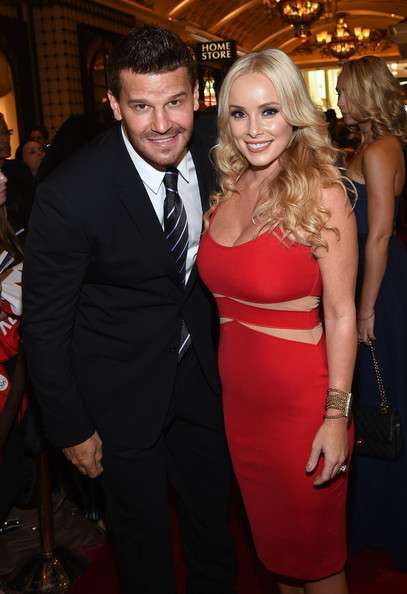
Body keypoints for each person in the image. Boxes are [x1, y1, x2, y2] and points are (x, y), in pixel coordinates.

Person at [22, 25, 236, 594]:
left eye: (174, 102)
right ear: (115, 104)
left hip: (202, 380)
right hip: (118, 397)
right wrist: (69, 426)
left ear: (196, 95)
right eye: (141, 106)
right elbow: (44, 325)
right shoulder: (72, 193)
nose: (162, 124)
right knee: (143, 551)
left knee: (214, 529)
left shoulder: (222, 149)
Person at [197, 49, 358, 594]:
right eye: (239, 114)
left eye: (269, 111)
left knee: (317, 561)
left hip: (302, 409)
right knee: (276, 557)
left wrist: (336, 415)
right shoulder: (227, 191)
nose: (253, 129)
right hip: (241, 410)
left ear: (294, 112)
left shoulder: (325, 195)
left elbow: (341, 314)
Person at [336, 56, 407, 570]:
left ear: (363, 94)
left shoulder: (382, 150)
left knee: (386, 400)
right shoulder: (368, 146)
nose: (337, 100)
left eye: (342, 90)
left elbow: (379, 233)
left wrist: (365, 308)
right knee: (377, 400)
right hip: (372, 281)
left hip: (381, 287)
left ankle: (390, 520)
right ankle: (377, 516)